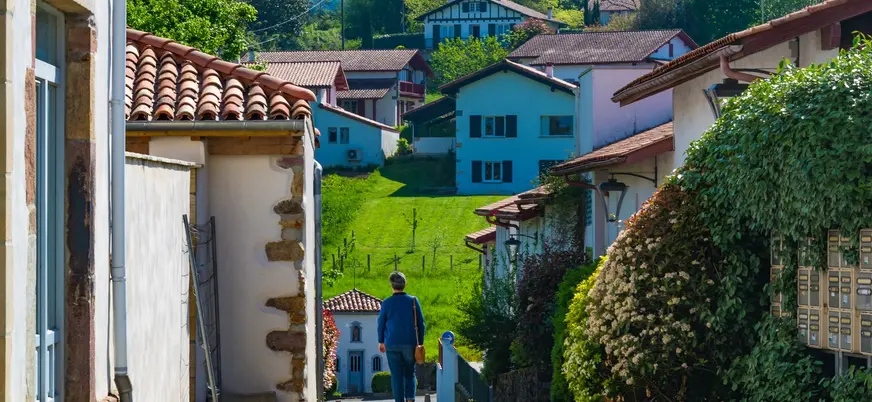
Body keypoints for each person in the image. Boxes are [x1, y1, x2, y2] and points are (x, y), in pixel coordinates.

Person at [377, 272, 425, 402]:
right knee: (410, 373)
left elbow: (381, 323)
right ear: (405, 284)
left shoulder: (386, 303)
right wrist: (419, 343)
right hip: (410, 343)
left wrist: (381, 341)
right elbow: (421, 324)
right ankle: (410, 398)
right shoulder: (413, 301)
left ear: (391, 286)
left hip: (391, 344)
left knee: (396, 376)